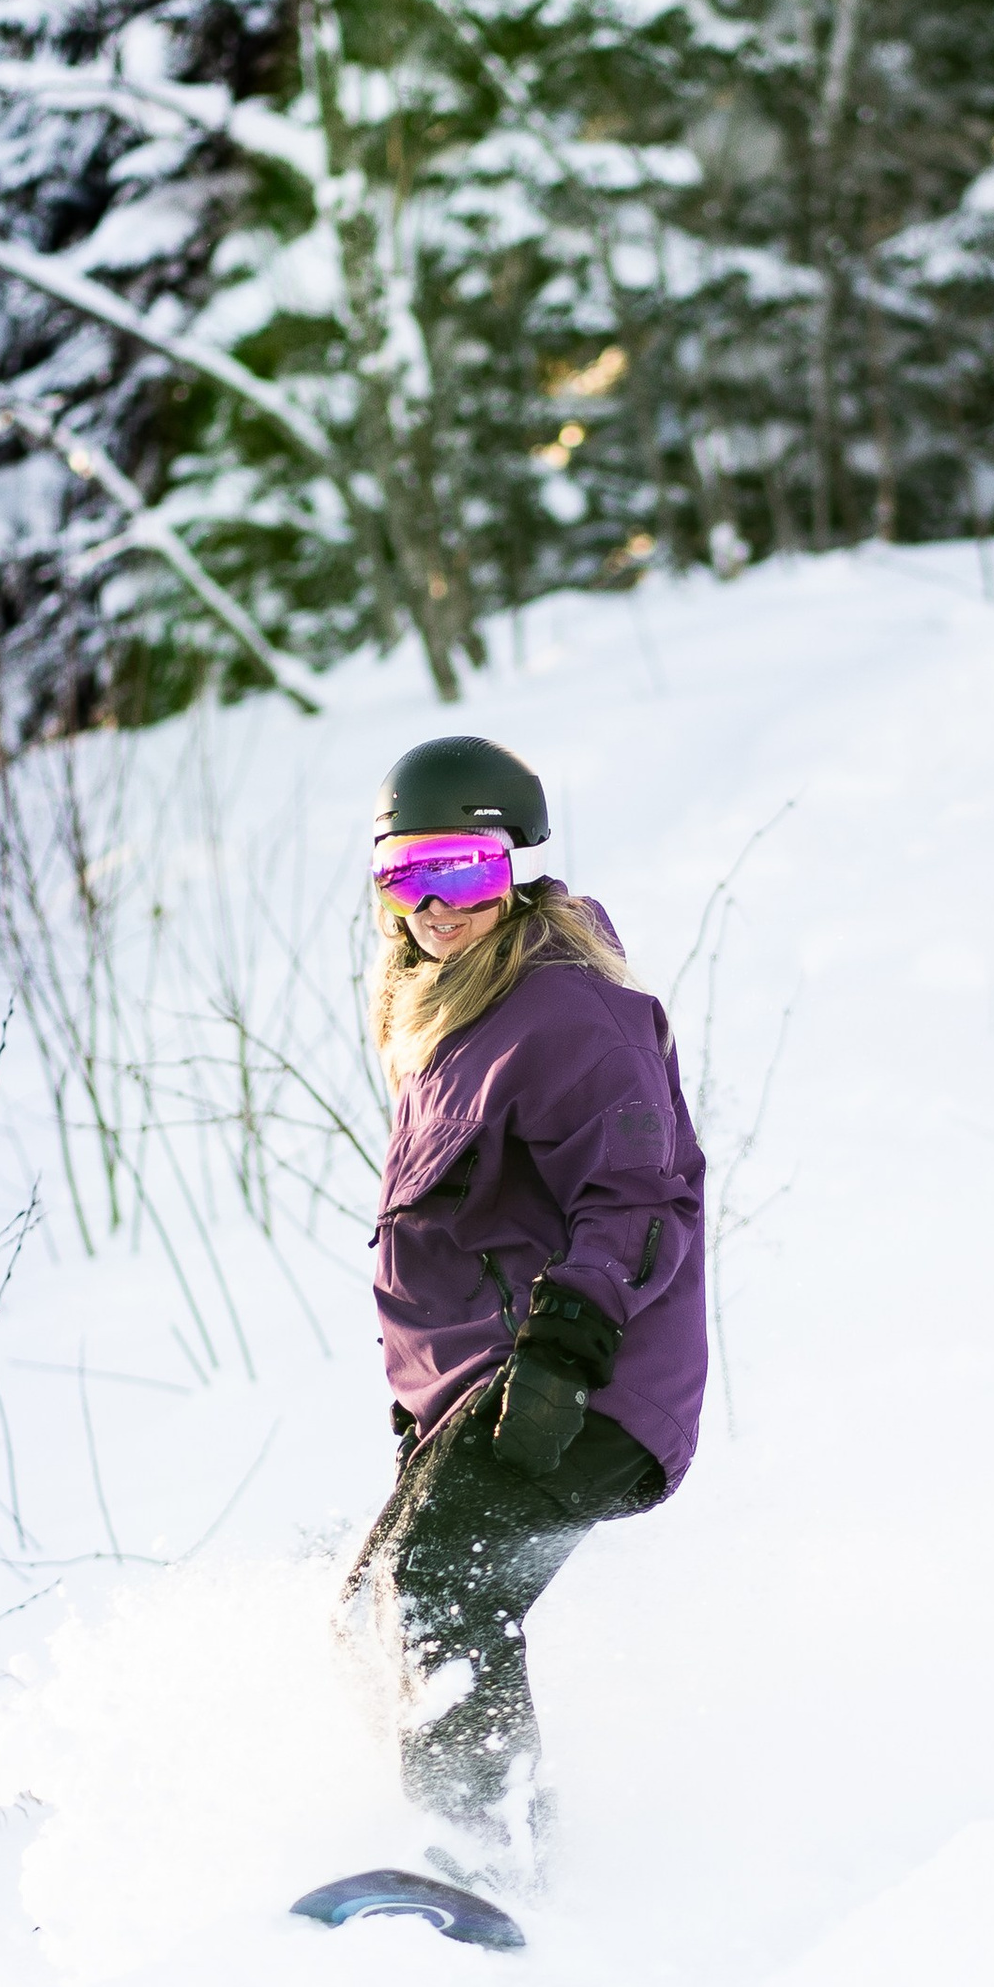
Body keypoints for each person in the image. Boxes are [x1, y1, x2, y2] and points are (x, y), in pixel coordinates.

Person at [347, 733, 706, 1893]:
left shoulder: (565, 1012)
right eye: (405, 878)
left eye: (456, 872)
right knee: (370, 1611)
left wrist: (563, 1349)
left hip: (585, 1378)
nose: (432, 906)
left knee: (439, 1582)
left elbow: (640, 1196)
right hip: (489, 1384)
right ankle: (525, 1852)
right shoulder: (454, 1027)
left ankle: (480, 1866)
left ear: (511, 867)